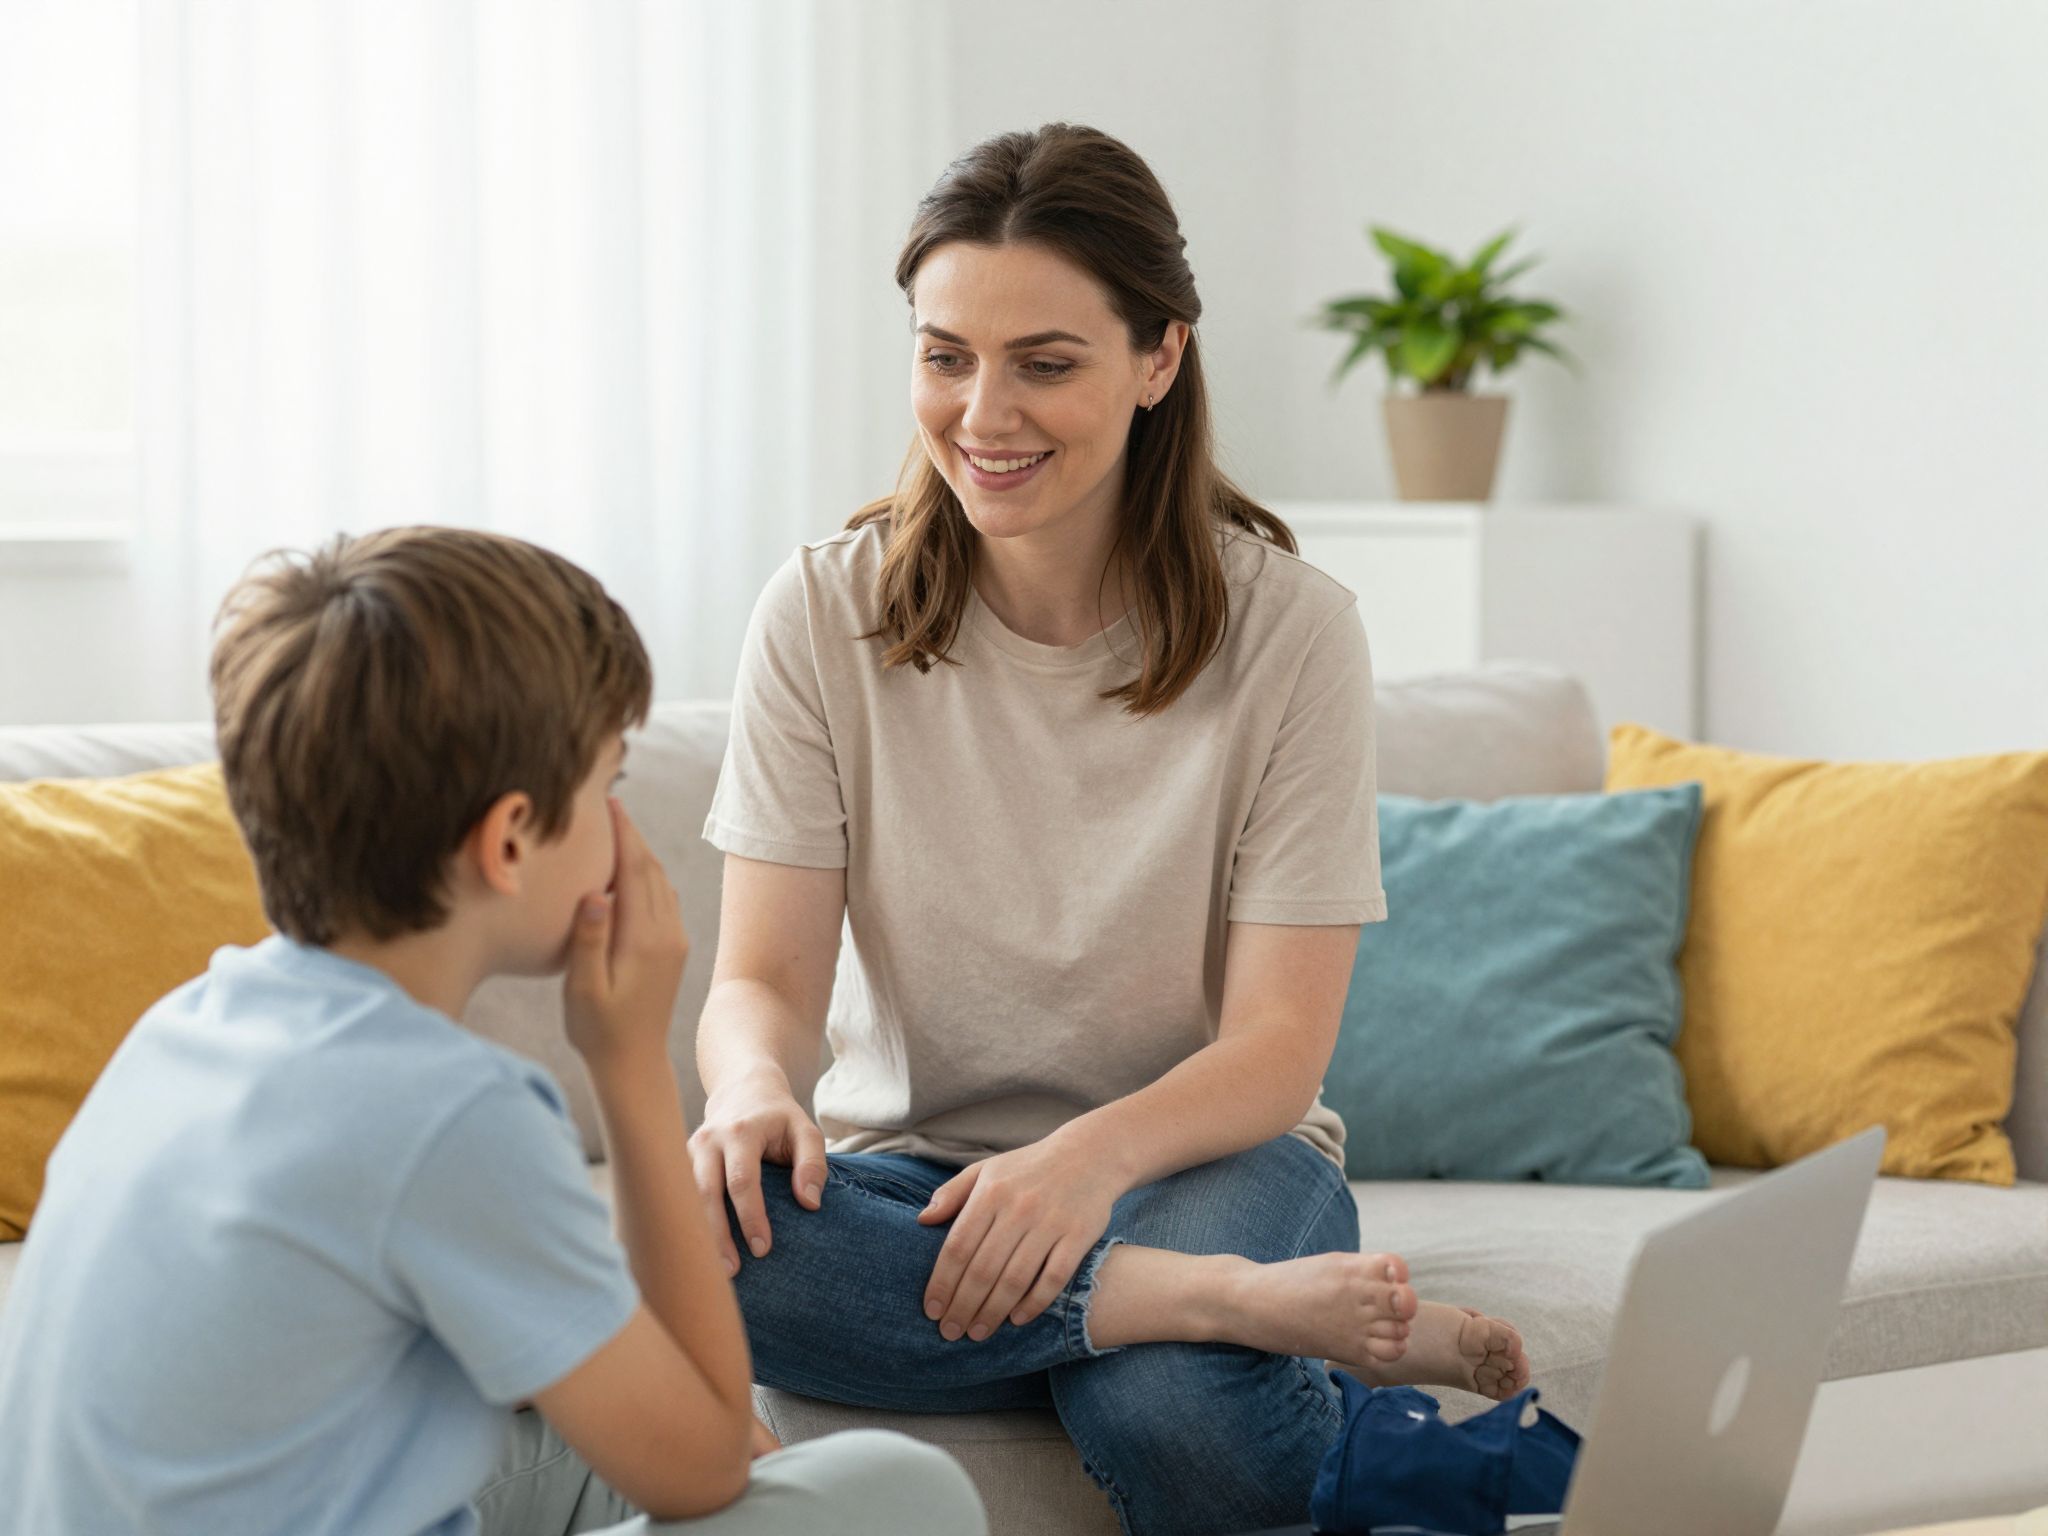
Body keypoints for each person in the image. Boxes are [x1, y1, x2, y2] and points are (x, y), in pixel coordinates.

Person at [688, 124, 1533, 1536]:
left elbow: (1276, 1044)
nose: (982, 411)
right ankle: (1226, 1316)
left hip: (1209, 1163)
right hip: (915, 1171)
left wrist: (1084, 1166)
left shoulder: (1293, 635)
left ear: (1160, 359)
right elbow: (760, 985)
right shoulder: (822, 613)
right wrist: (745, 1093)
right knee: (700, 1238)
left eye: (1046, 361)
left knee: (1168, 1406)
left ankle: (1165, 1324)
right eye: (945, 354)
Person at [0, 527, 986, 1536]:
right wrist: (631, 1063)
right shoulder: (447, 1114)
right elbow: (700, 1470)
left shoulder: (183, 1029)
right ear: (511, 840)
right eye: (607, 787)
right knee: (901, 1494)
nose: (620, 830)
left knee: (583, 1437)